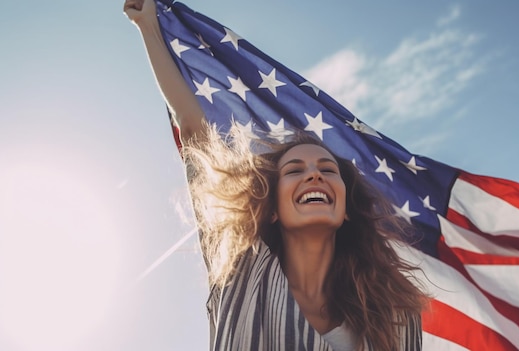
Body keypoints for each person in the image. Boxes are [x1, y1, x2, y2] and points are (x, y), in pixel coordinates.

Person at [124, 0, 430, 349]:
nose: (314, 175)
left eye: (327, 170)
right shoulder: (238, 269)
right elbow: (195, 131)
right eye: (295, 170)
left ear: (346, 209)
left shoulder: (392, 314)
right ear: (271, 207)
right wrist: (148, 27)